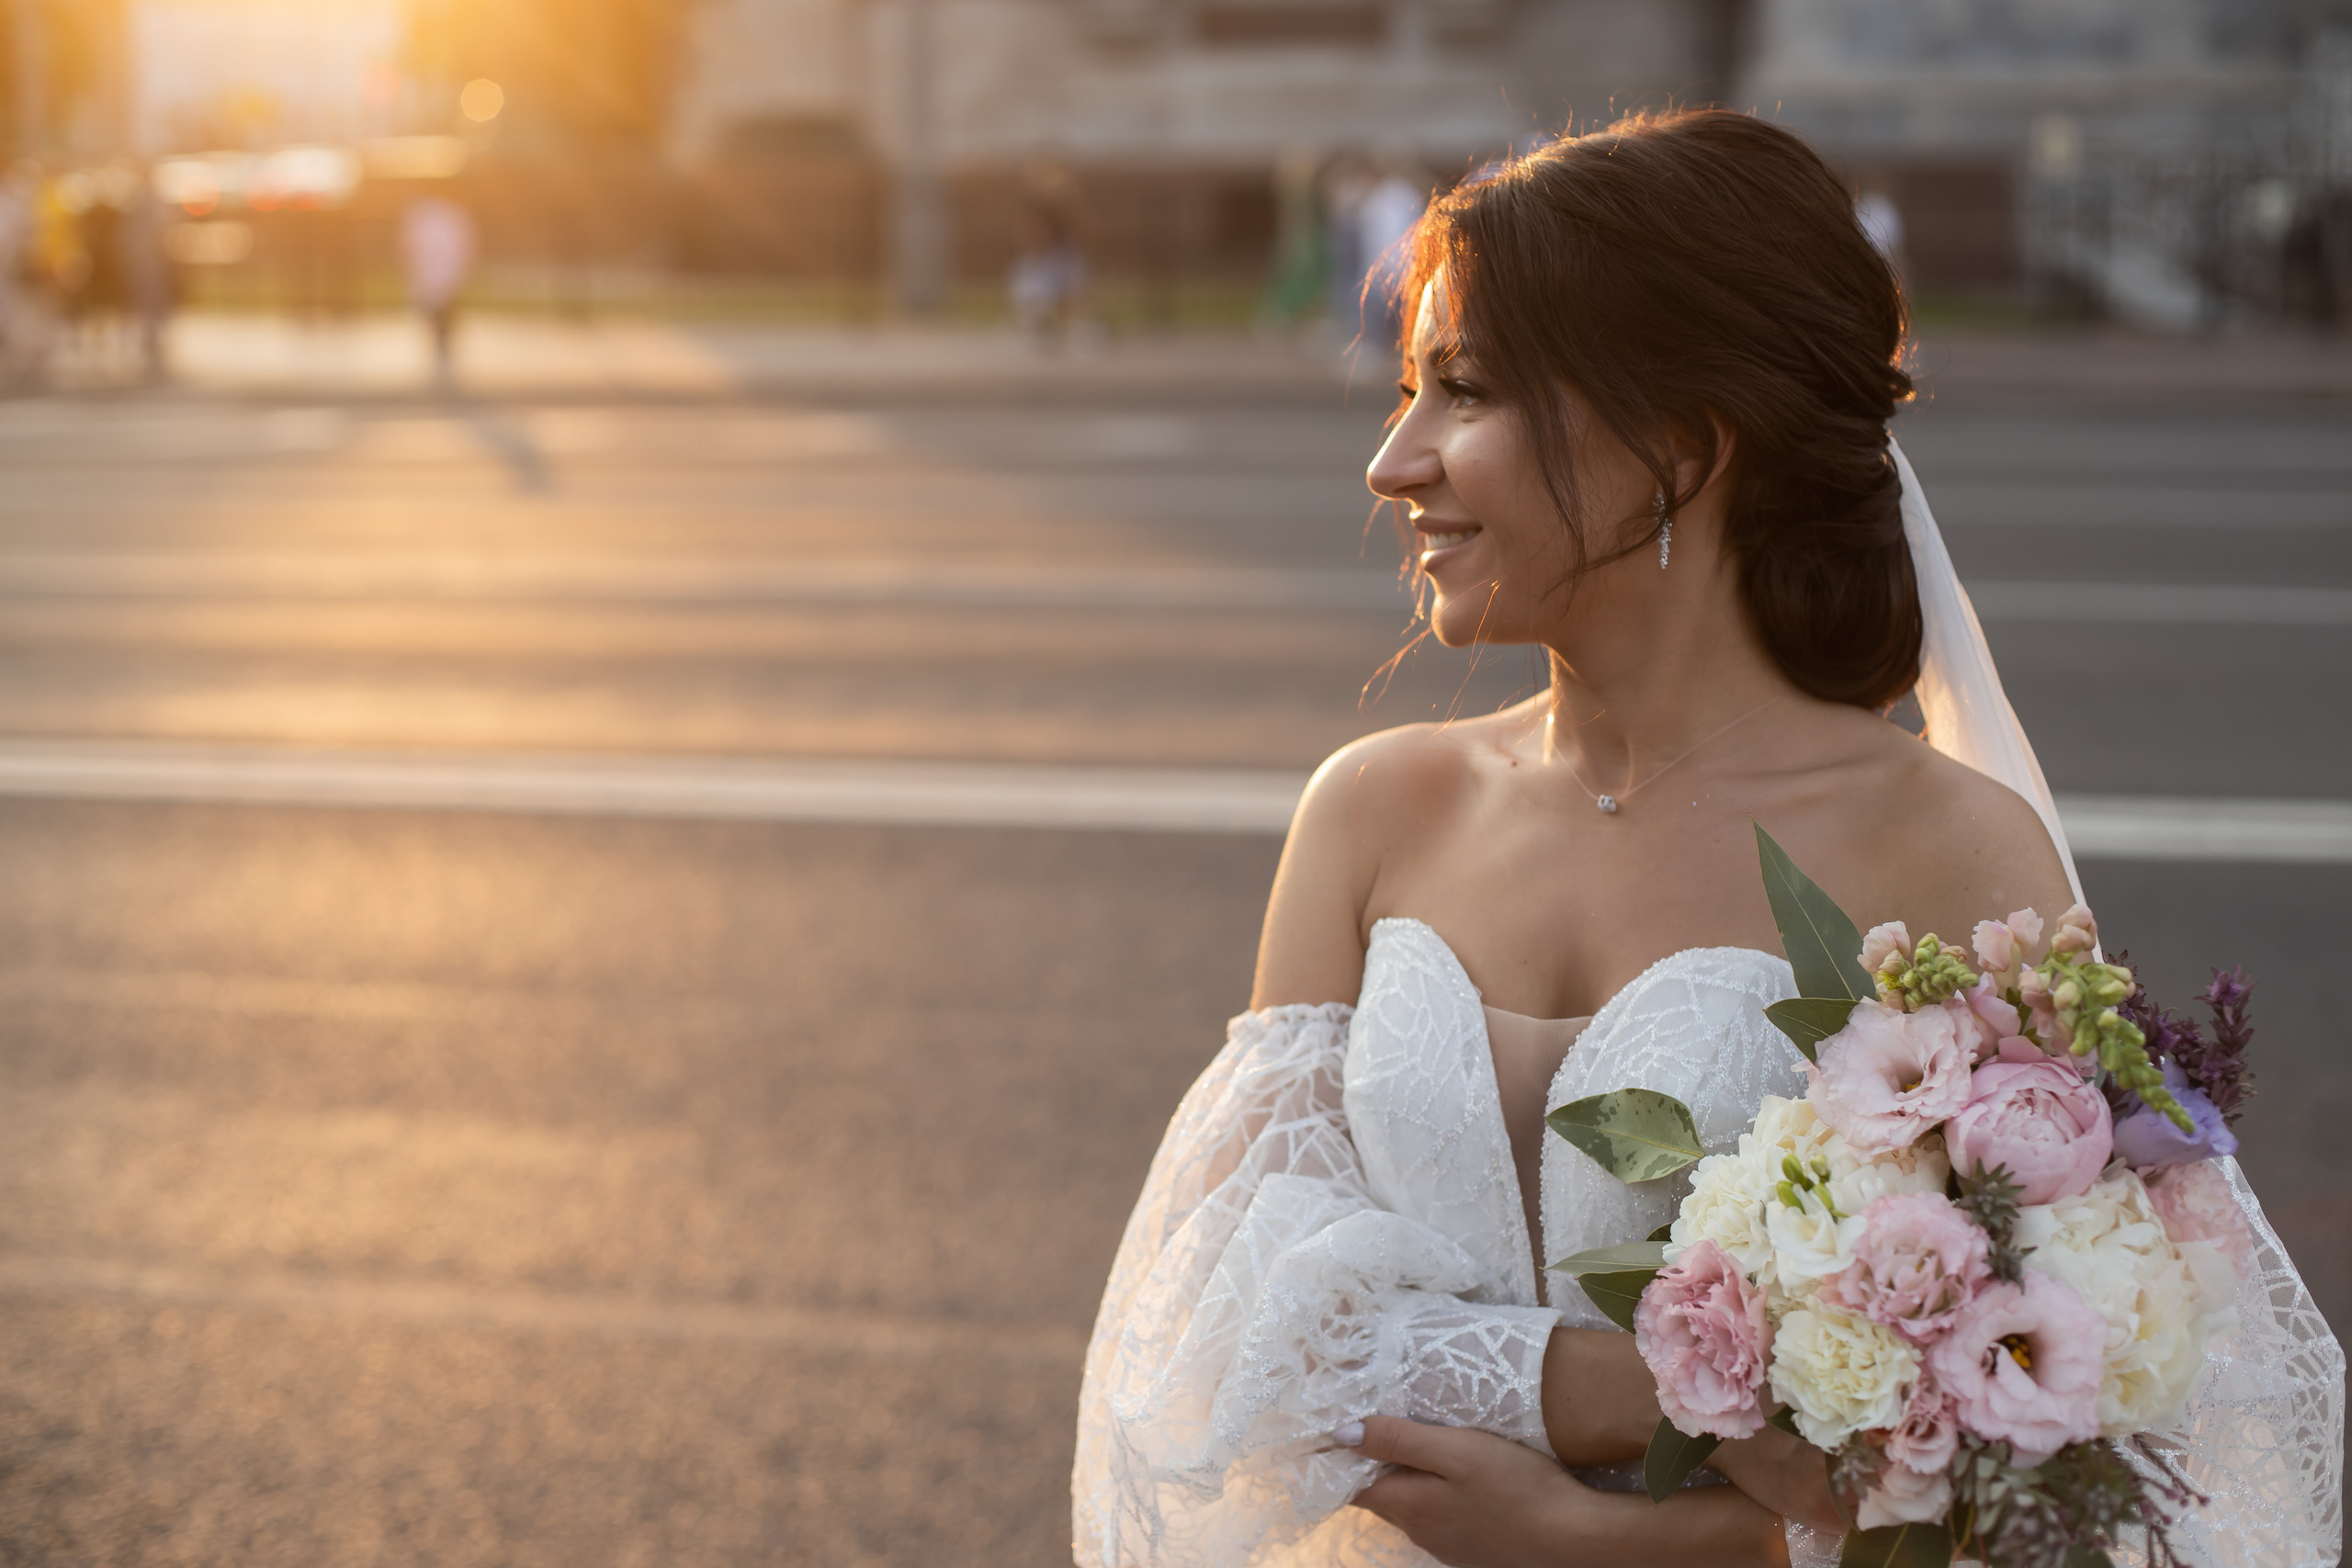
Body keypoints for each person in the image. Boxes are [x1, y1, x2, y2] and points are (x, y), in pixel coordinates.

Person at [1073, 109, 2342, 1568]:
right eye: (1406, 388)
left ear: (1679, 443)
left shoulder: (1944, 850)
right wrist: (1640, 1384)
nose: (1393, 461)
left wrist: (1583, 1535)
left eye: (1462, 391)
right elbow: (1225, 1335)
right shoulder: (1371, 812)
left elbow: (2054, 1460)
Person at [399, 195, 476, 377]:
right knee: (436, 305)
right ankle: (440, 340)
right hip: (437, 269)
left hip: (442, 268)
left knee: (442, 305)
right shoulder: (447, 215)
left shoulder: (426, 216)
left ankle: (442, 340)